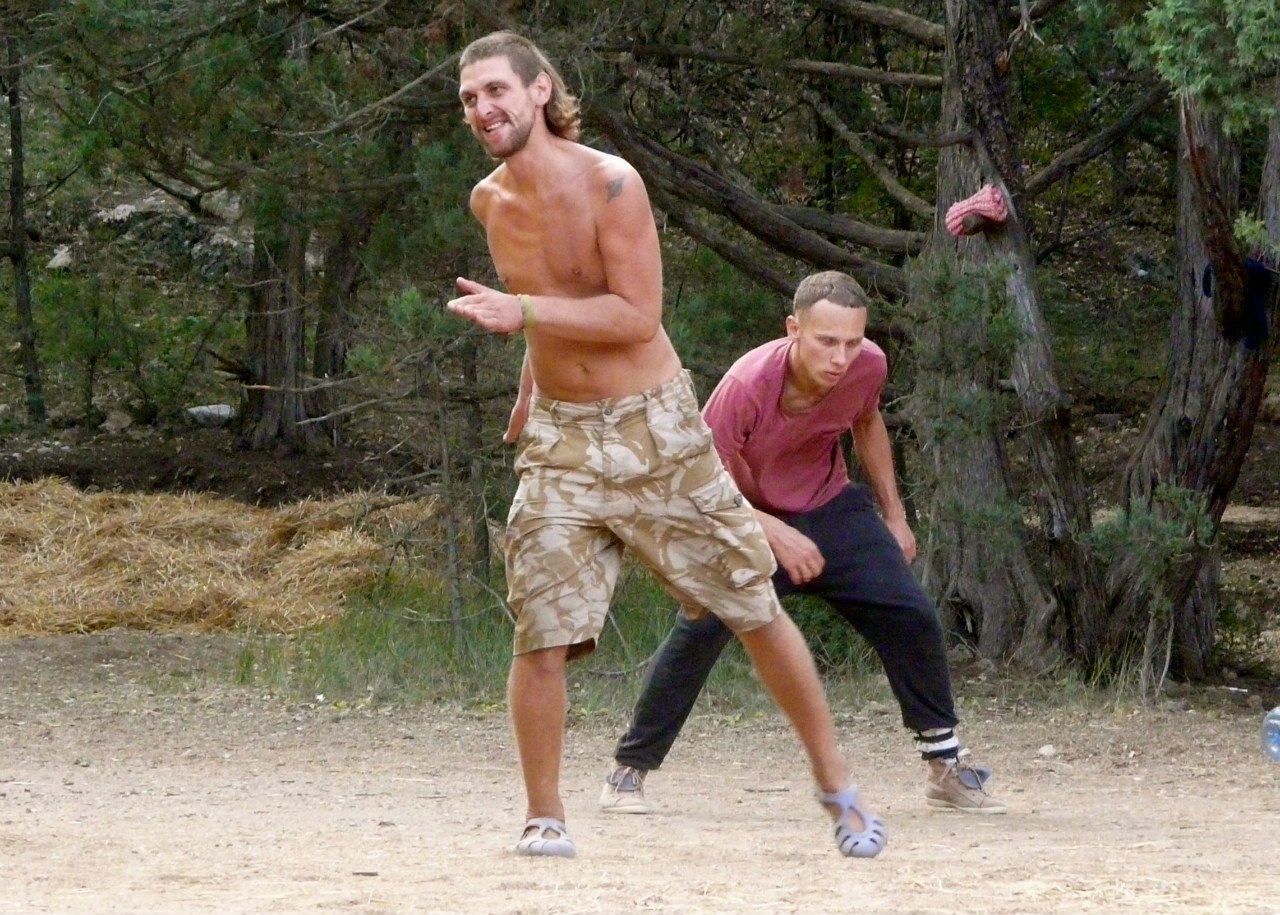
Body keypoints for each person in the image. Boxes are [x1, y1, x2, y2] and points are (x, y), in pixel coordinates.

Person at [446, 32, 886, 860]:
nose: (483, 109)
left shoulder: (612, 182)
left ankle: (839, 788)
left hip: (655, 430)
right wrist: (530, 384)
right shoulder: (489, 200)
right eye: (470, 98)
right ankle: (545, 818)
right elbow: (547, 299)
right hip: (562, 441)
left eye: (496, 90)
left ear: (540, 90)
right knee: (540, 629)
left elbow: (634, 315)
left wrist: (523, 314)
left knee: (750, 604)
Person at [600, 270, 1007, 817]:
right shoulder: (747, 385)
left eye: (853, 342)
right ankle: (629, 769)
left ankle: (946, 767)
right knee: (702, 626)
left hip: (829, 503)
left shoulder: (869, 365)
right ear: (794, 329)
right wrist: (772, 530)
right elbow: (699, 478)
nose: (841, 357)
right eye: (827, 341)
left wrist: (895, 516)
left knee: (909, 612)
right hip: (739, 512)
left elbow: (867, 421)